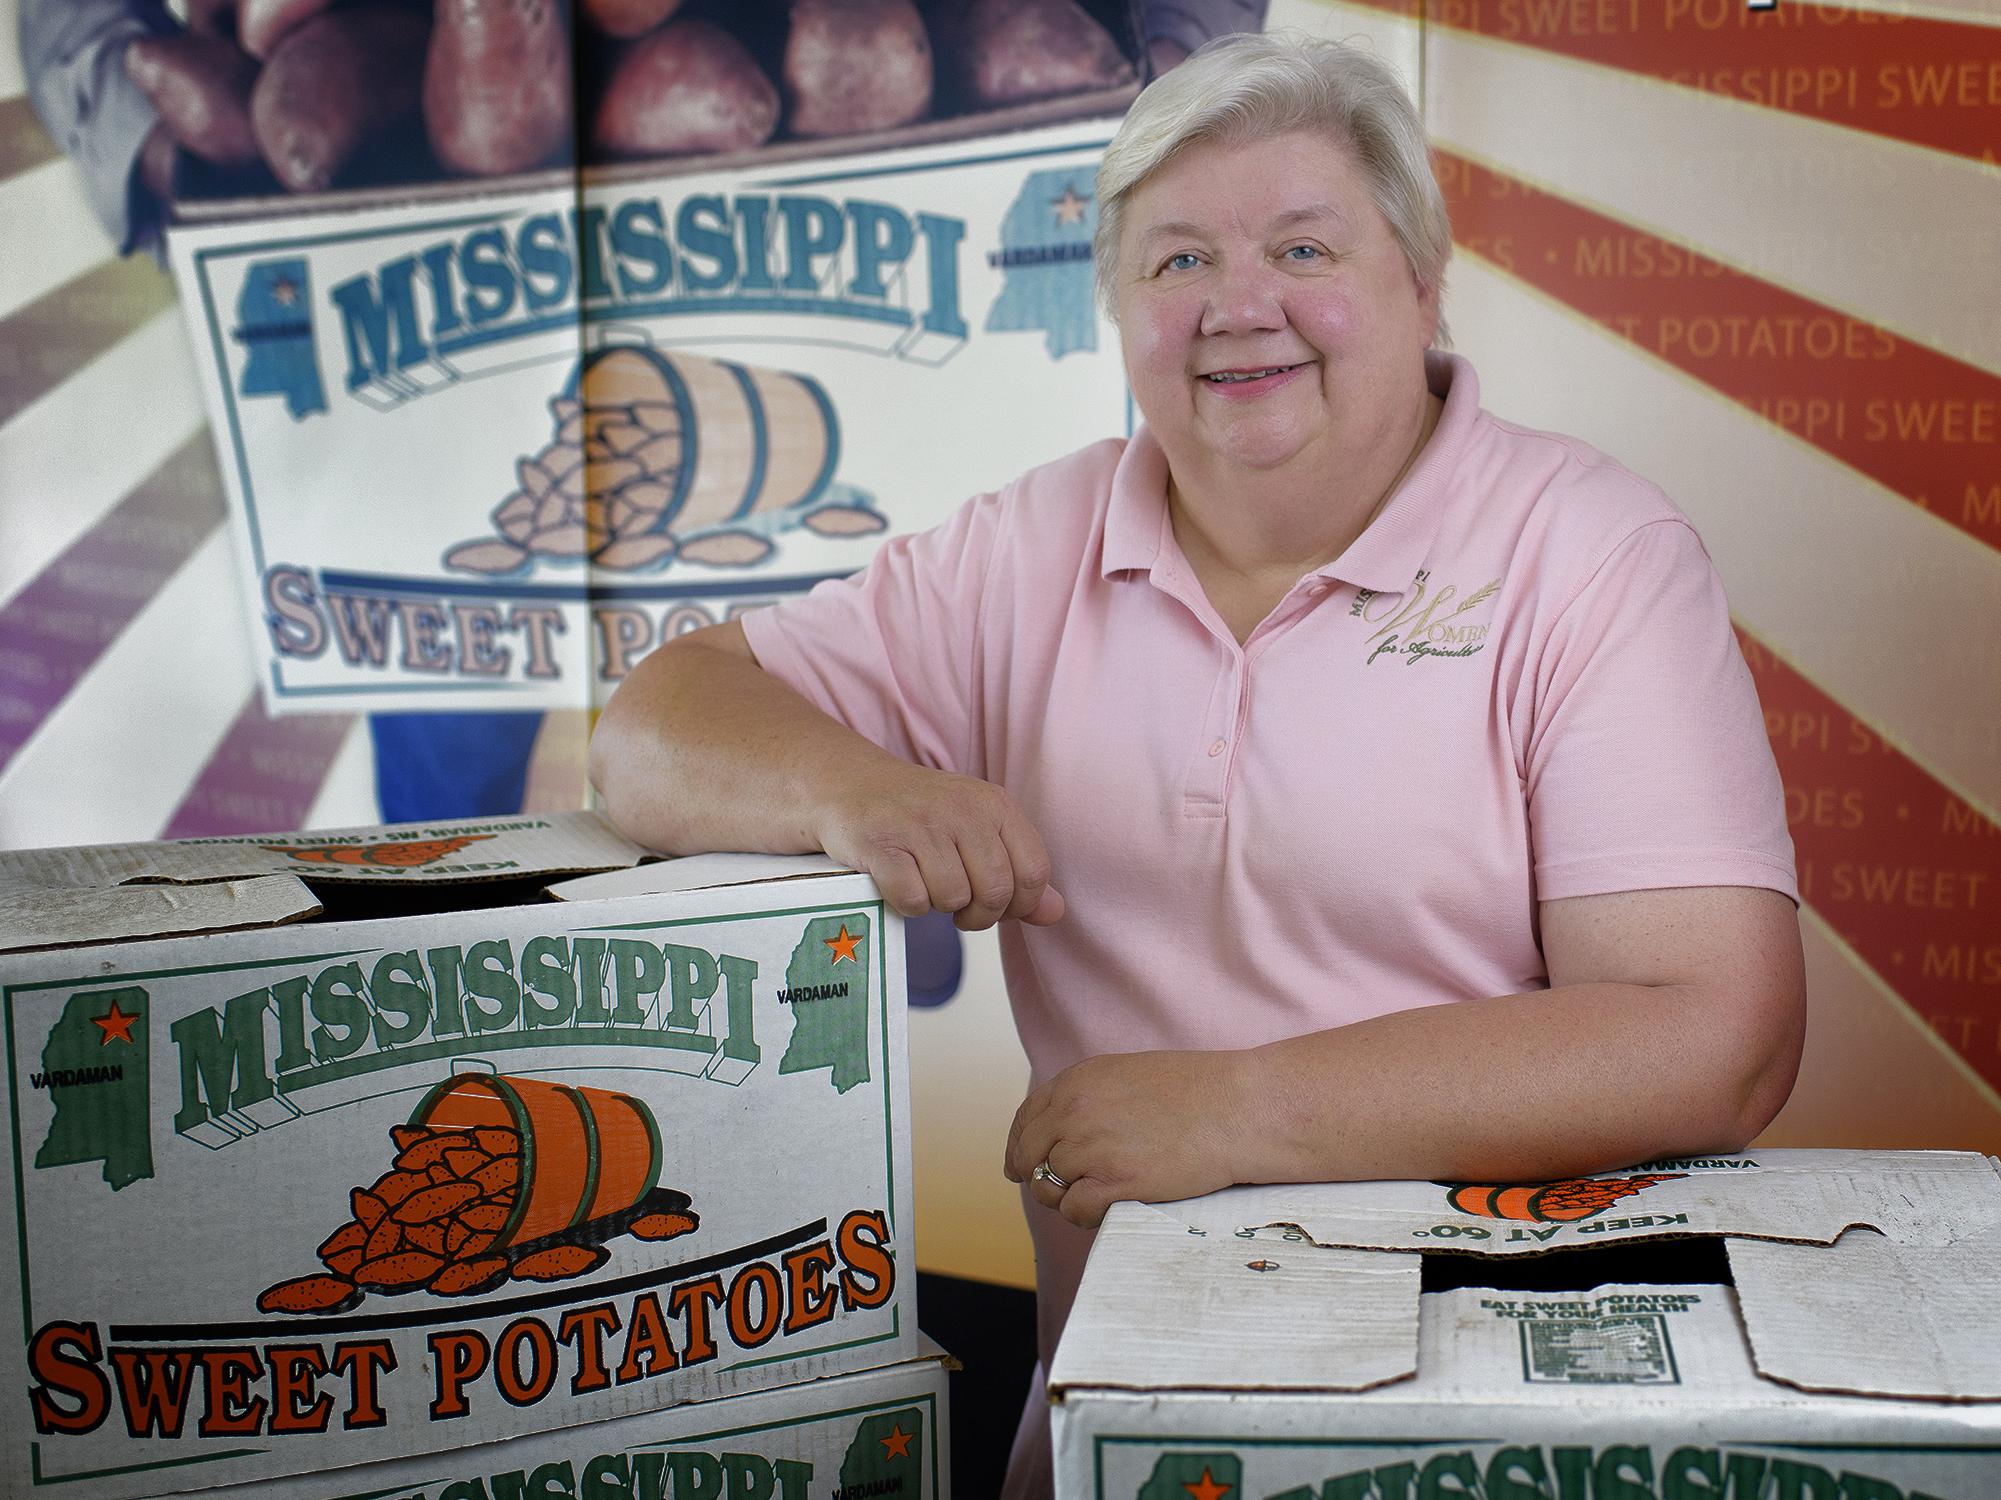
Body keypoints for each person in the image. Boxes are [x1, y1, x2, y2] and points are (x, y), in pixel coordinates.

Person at [589, 30, 1805, 1499]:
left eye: (1302, 246)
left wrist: (1239, 1113)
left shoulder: (1589, 553)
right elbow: (650, 728)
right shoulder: (1025, 549)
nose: (1238, 308)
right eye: (1174, 263)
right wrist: (856, 788)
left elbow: (1717, 1037)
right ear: (1114, 311)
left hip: (1490, 1418)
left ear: (1419, 284)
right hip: (1122, 1408)